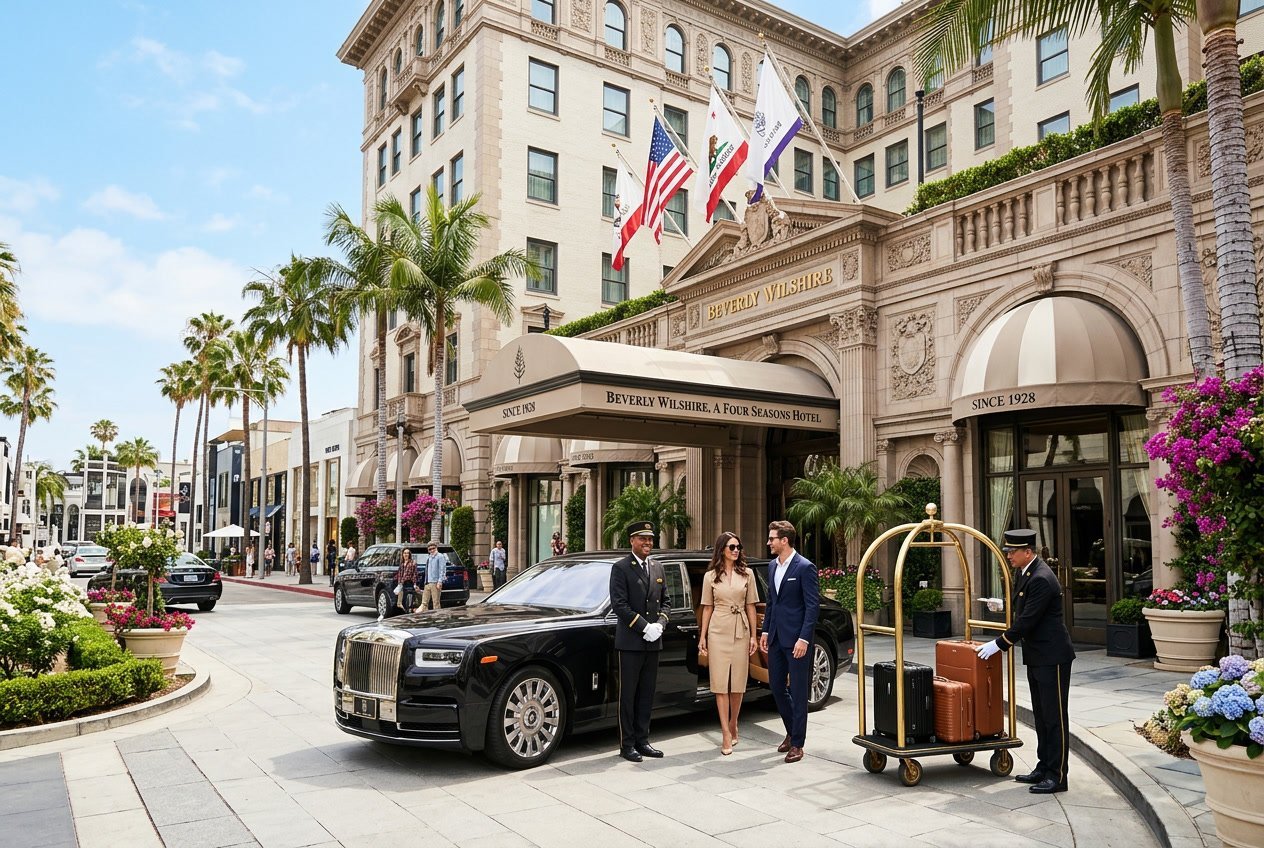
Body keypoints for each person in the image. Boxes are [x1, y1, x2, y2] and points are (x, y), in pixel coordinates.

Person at [976, 528, 1076, 794]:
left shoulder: (1041, 577)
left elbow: (1029, 620)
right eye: (1008, 551)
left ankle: (1057, 775)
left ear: (1028, 552)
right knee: (1041, 716)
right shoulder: (1026, 572)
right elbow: (1025, 608)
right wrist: (1002, 606)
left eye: (1013, 552)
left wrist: (999, 644)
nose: (1009, 556)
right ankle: (1044, 767)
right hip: (1038, 655)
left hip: (1052, 657)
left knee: (1054, 718)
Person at [608, 520, 670, 763]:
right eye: (643, 538)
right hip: (631, 643)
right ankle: (627, 744)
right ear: (632, 540)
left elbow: (666, 602)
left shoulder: (657, 567)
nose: (647, 542)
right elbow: (619, 605)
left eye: (650, 539)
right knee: (628, 696)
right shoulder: (621, 568)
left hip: (653, 642)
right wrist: (644, 627)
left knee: (646, 693)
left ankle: (643, 741)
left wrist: (660, 625)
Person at [759, 519, 818, 764]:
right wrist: (765, 632)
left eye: (772, 538)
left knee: (799, 691)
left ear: (784, 540)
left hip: (797, 641)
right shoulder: (772, 566)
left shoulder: (805, 567)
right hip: (775, 637)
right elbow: (772, 602)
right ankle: (792, 730)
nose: (768, 542)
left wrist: (804, 638)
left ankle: (797, 744)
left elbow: (812, 607)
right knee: (776, 686)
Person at [698, 532, 758, 756]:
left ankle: (734, 723)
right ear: (721, 549)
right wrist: (703, 636)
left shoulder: (748, 574)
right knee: (720, 683)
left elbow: (751, 606)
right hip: (718, 630)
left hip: (741, 629)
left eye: (738, 547)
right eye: (732, 547)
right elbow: (707, 607)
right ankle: (725, 732)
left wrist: (753, 636)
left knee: (738, 683)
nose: (736, 550)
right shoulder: (710, 576)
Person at [420, 540, 447, 610]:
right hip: (428, 582)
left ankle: (437, 616)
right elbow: (427, 570)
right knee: (424, 602)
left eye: (433, 548)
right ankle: (425, 615)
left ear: (436, 547)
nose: (432, 550)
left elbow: (442, 569)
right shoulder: (429, 557)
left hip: (435, 582)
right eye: (430, 549)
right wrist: (425, 582)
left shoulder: (440, 556)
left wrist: (440, 581)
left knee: (436, 602)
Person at [394, 548, 418, 612]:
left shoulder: (413, 563)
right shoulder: (402, 564)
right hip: (402, 584)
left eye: (407, 553)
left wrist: (415, 584)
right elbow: (399, 574)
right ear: (402, 554)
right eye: (404, 553)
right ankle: (404, 609)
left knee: (409, 601)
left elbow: (415, 574)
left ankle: (409, 610)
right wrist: (399, 583)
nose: (406, 554)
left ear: (409, 554)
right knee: (401, 600)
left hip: (409, 583)